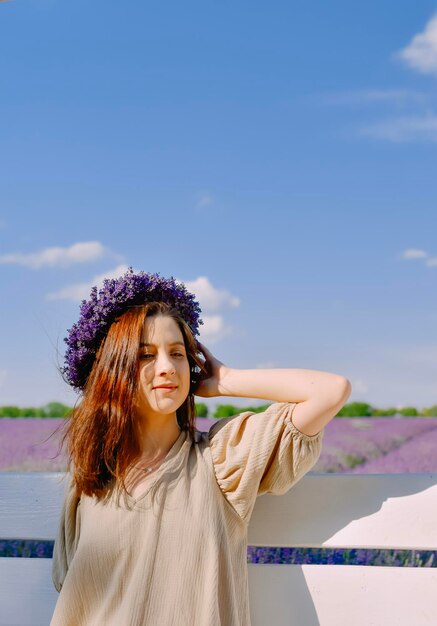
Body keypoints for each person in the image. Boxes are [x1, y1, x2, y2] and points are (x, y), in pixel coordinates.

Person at [50, 267, 351, 626]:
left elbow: (331, 391)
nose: (167, 368)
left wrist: (228, 380)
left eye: (177, 353)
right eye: (146, 355)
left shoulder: (222, 461)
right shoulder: (91, 482)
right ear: (114, 369)